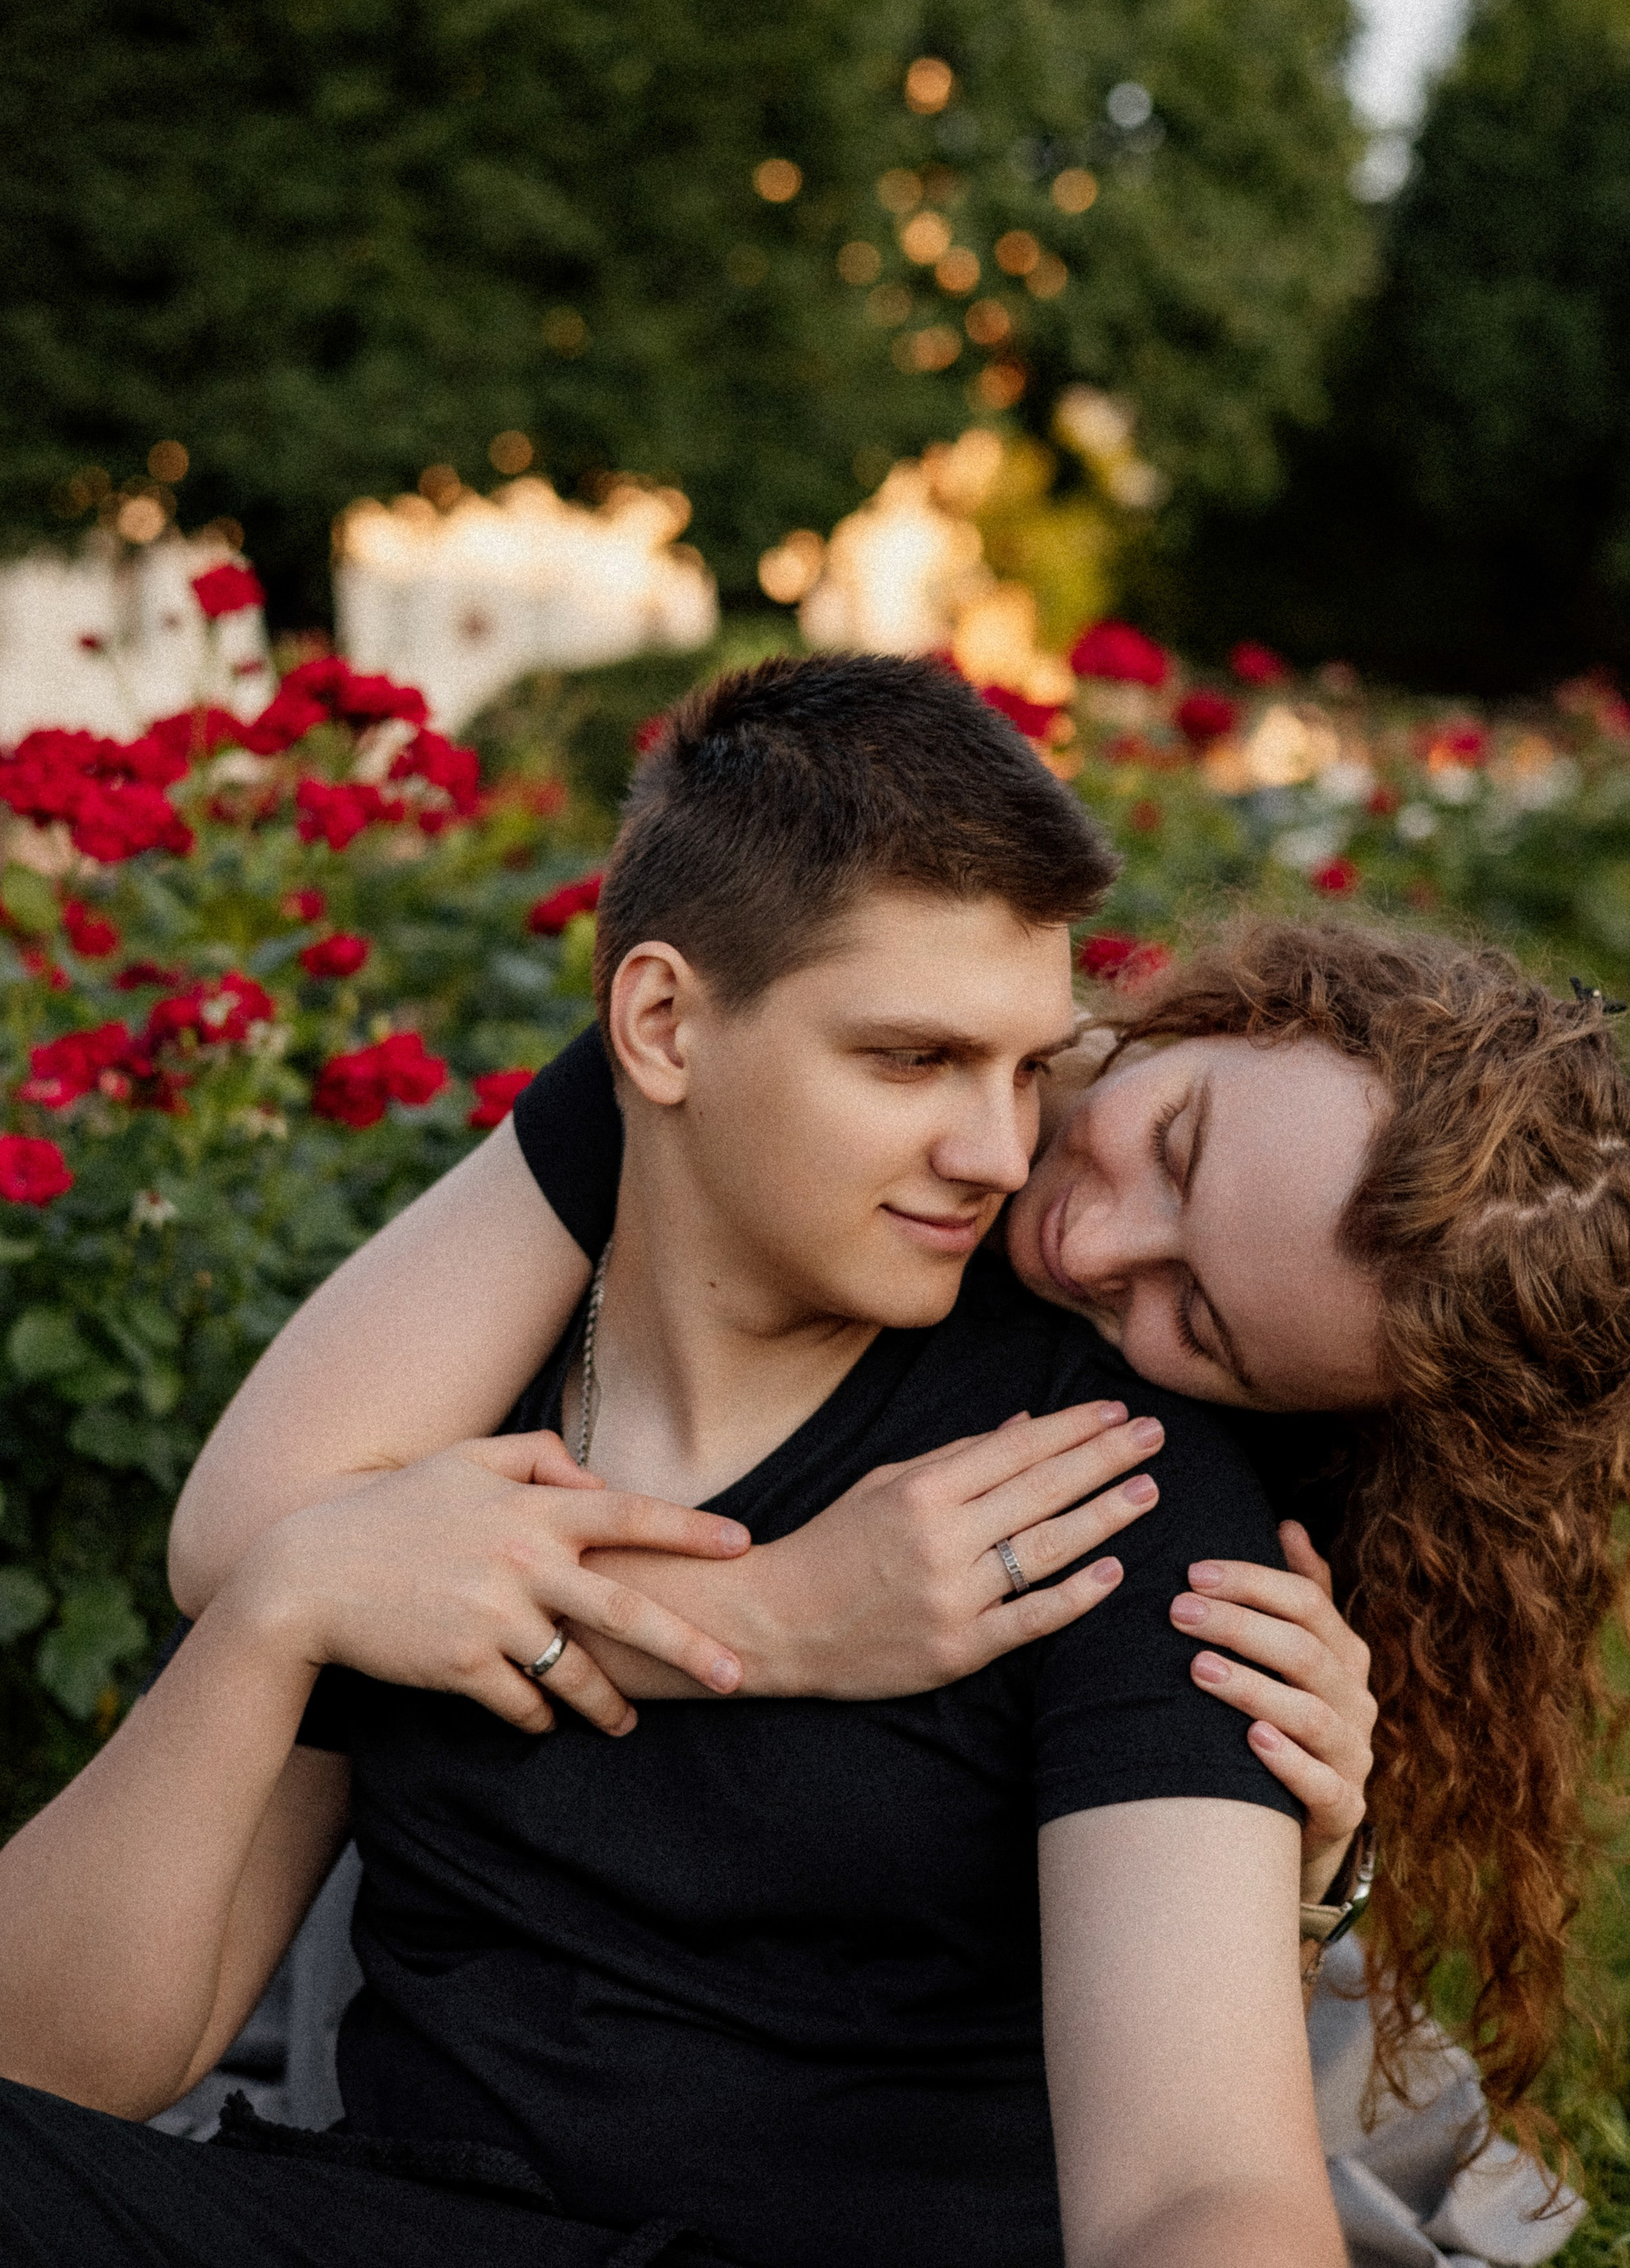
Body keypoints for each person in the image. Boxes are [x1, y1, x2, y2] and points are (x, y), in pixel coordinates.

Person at [0, 654, 1346, 2268]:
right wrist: (283, 1603)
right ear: (660, 1027)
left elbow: (1204, 2187)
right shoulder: (433, 1435)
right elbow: (58, 2061)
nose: (1001, 1153)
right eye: (912, 1060)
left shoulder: (1085, 1483)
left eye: (1024, 1067)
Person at [175, 755, 1630, 2158]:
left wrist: (1305, 1877)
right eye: (1176, 1147)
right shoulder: (769, 1082)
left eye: (1199, 1322)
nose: (1088, 1243)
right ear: (1243, 1010)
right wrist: (772, 1619)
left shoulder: (1174, 1474)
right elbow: (245, 1544)